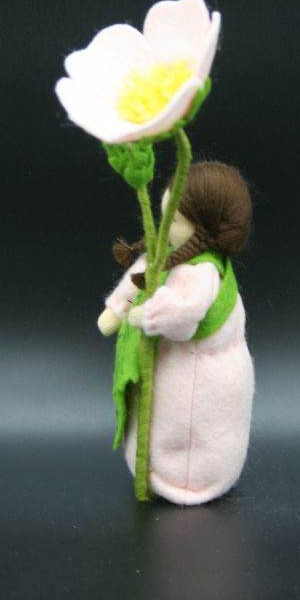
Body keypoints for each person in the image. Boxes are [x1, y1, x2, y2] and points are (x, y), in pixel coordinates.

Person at [98, 161, 255, 505]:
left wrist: (142, 316)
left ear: (204, 226)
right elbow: (141, 276)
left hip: (201, 376)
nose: (165, 224)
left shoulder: (203, 274)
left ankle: (186, 478)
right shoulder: (171, 256)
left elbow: (183, 319)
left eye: (175, 219)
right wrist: (116, 310)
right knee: (159, 420)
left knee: (189, 426)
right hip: (176, 365)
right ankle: (159, 467)